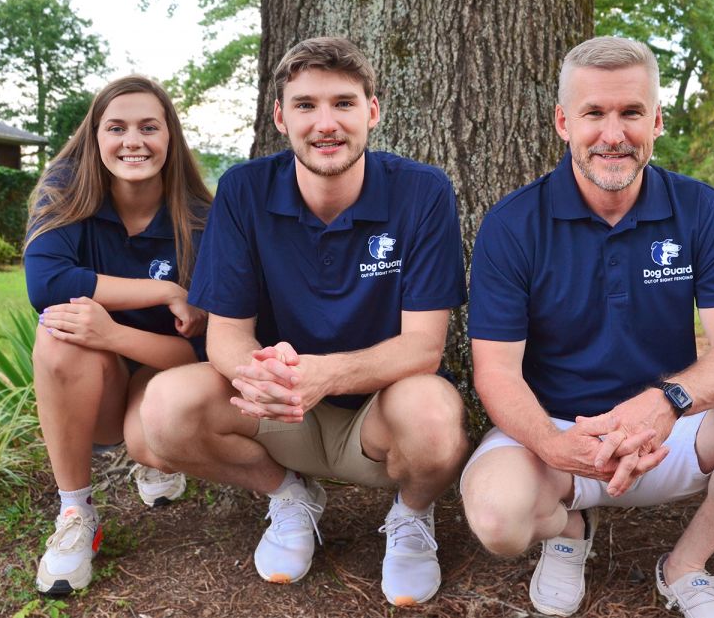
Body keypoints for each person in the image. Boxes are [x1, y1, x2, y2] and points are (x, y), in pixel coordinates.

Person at [459, 36, 714, 618]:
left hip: (670, 430)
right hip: (558, 431)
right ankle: (570, 528)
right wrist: (556, 444)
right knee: (497, 519)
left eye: (631, 113)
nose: (613, 134)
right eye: (594, 114)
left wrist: (667, 402)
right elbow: (496, 373)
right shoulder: (512, 223)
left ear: (655, 121)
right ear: (563, 122)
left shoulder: (700, 209)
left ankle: (686, 565)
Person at [139, 37, 469, 607]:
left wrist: (325, 375)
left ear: (373, 110)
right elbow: (227, 337)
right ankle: (290, 496)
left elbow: (423, 347)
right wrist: (282, 380)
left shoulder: (422, 191)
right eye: (306, 105)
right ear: (280, 116)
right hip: (279, 412)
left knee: (437, 416)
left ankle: (412, 516)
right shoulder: (244, 190)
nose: (326, 124)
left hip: (377, 415)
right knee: (164, 412)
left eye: (343, 103)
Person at [23, 75, 214, 596]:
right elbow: (46, 285)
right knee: (58, 329)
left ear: (170, 137)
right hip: (95, 381)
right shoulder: (64, 192)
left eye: (149, 127)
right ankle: (75, 512)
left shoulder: (203, 220)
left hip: (162, 371)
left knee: (150, 439)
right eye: (117, 127)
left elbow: (201, 351)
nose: (134, 141)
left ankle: (151, 455)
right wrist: (164, 291)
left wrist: (111, 333)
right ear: (95, 136)